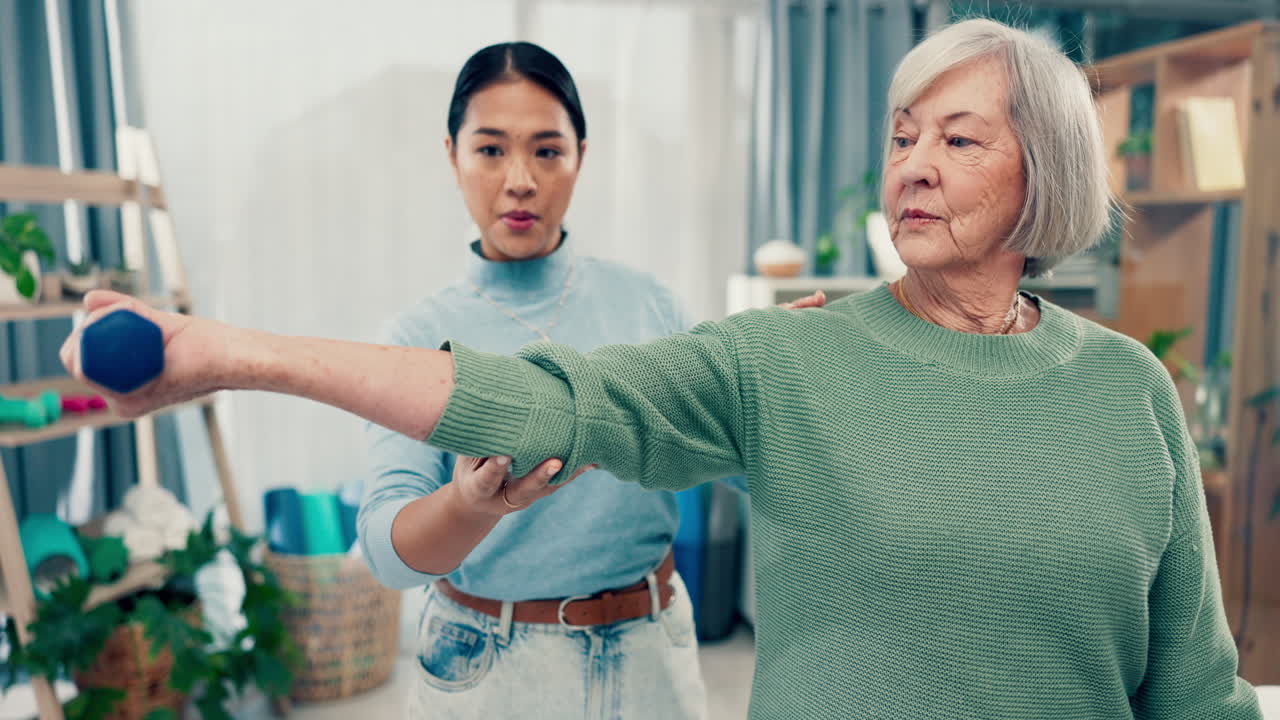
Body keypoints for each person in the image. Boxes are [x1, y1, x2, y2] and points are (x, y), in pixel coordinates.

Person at [62, 19, 1261, 719]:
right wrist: (230, 354)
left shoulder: (1126, 392)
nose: (912, 164)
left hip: (643, 644)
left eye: (955, 139)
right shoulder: (780, 353)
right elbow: (553, 400)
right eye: (899, 136)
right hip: (488, 655)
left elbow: (1192, 683)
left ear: (1042, 173)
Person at [357, 41, 819, 719]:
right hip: (487, 662)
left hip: (651, 648)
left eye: (548, 150)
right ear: (451, 154)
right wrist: (468, 506)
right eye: (490, 150)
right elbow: (385, 552)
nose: (520, 179)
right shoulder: (417, 336)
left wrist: (777, 378)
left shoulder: (648, 304)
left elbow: (744, 461)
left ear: (581, 155)